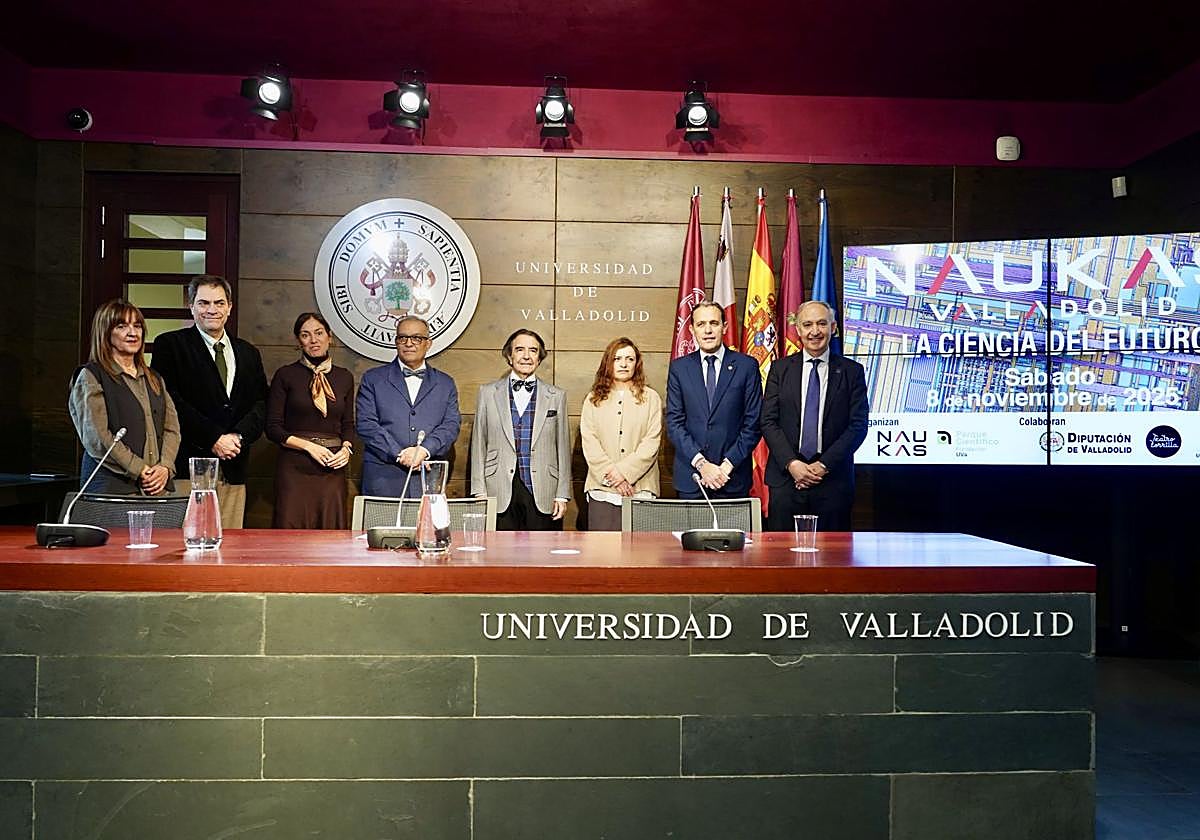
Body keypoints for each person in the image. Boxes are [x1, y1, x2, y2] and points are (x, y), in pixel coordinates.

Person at [151, 274, 267, 529]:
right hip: (187, 467)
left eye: (219, 303)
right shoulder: (170, 345)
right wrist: (214, 438)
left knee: (228, 549)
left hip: (233, 468)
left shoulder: (248, 352)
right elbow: (170, 402)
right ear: (191, 306)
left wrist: (237, 438)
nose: (212, 310)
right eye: (203, 303)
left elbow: (260, 404)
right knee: (183, 548)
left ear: (229, 307)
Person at [761, 300, 868, 531]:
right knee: (782, 558)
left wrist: (823, 465)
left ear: (834, 327)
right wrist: (792, 464)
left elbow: (858, 426)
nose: (815, 331)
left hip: (832, 482)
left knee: (832, 561)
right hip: (786, 481)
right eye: (807, 324)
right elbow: (768, 422)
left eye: (822, 323)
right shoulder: (780, 369)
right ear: (798, 329)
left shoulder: (852, 372)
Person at [69, 299, 181, 495]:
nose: (132, 332)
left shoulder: (154, 378)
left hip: (156, 489)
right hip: (111, 488)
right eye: (122, 326)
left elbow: (172, 429)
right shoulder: (91, 376)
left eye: (137, 326)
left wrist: (165, 468)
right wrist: (140, 469)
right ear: (106, 333)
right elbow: (97, 438)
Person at [470, 328, 571, 530]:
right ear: (509, 355)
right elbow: (479, 444)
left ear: (539, 358)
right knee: (500, 556)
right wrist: (479, 491)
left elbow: (563, 447)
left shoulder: (556, 396)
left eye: (533, 350)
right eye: (520, 350)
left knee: (542, 555)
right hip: (498, 488)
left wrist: (562, 493)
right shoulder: (488, 393)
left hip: (543, 489)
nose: (526, 356)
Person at [266, 312, 355, 528]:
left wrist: (346, 450)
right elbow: (272, 428)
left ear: (329, 337)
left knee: (330, 537)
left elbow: (348, 424)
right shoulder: (285, 375)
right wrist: (309, 447)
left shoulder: (344, 377)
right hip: (294, 466)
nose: (313, 340)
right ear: (298, 341)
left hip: (331, 467)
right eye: (305, 335)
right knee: (291, 536)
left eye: (319, 333)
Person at [356, 315, 461, 498]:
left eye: (416, 338)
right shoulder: (372, 379)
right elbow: (366, 424)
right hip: (383, 481)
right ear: (396, 342)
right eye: (402, 338)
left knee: (426, 528)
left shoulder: (445, 383)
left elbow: (450, 426)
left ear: (428, 343)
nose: (409, 343)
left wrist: (424, 450)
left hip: (428, 481)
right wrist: (399, 454)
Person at [666, 302, 762, 499]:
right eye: (701, 324)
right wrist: (702, 465)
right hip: (692, 479)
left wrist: (726, 466)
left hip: (732, 478)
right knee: (691, 532)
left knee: (733, 532)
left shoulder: (746, 366)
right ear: (692, 329)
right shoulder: (679, 368)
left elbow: (753, 424)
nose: (708, 330)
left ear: (724, 327)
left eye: (714, 323)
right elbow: (674, 423)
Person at [579, 337, 662, 530]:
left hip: (640, 489)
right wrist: (614, 476)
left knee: (641, 556)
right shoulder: (593, 399)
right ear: (608, 362)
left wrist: (624, 473)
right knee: (603, 555)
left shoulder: (651, 398)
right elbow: (590, 442)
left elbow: (651, 443)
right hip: (602, 490)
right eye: (617, 358)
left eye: (629, 359)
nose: (624, 364)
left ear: (637, 364)